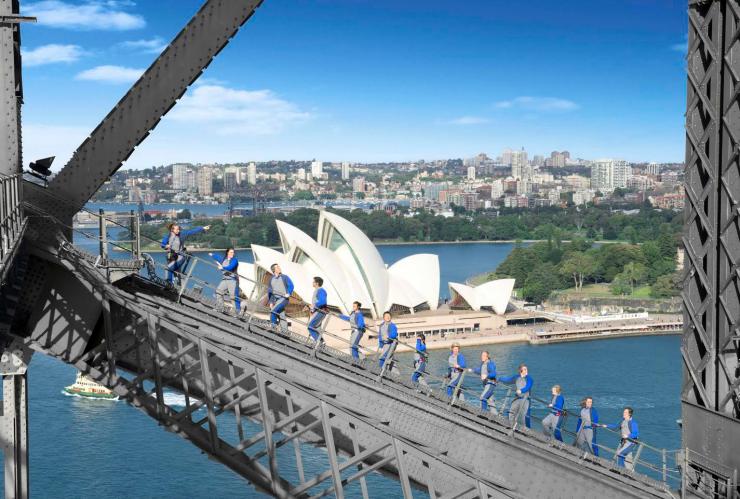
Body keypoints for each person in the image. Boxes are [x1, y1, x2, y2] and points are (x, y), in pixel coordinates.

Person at [499, 364, 533, 428]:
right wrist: (499, 379)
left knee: (525, 416)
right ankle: (511, 426)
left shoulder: (529, 379)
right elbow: (508, 380)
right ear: (520, 370)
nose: (526, 371)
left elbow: (528, 386)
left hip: (526, 400)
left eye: (526, 369)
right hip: (517, 398)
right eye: (525, 369)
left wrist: (521, 390)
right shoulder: (516, 377)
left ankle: (528, 431)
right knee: (511, 412)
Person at [209, 248, 240, 314]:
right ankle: (220, 308)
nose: (232, 254)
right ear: (227, 253)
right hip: (225, 279)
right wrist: (212, 255)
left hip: (233, 280)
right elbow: (218, 258)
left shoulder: (235, 260)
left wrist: (222, 267)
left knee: (233, 297)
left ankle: (237, 313)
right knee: (218, 292)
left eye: (233, 252)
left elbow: (230, 267)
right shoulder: (224, 260)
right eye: (231, 252)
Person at [267, 264, 294, 333]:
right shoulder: (271, 279)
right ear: (274, 270)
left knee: (273, 311)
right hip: (276, 300)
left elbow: (291, 285)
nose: (279, 268)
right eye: (277, 267)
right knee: (282, 315)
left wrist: (288, 293)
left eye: (279, 266)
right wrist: (271, 302)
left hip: (284, 298)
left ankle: (273, 327)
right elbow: (270, 292)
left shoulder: (284, 277)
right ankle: (285, 332)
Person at [307, 276, 328, 342]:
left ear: (317, 283)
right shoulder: (318, 290)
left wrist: (313, 306)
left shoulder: (321, 290)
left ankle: (320, 343)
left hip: (320, 311)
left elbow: (322, 301)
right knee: (317, 328)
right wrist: (311, 307)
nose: (312, 283)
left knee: (310, 327)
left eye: (313, 282)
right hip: (319, 311)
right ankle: (321, 344)